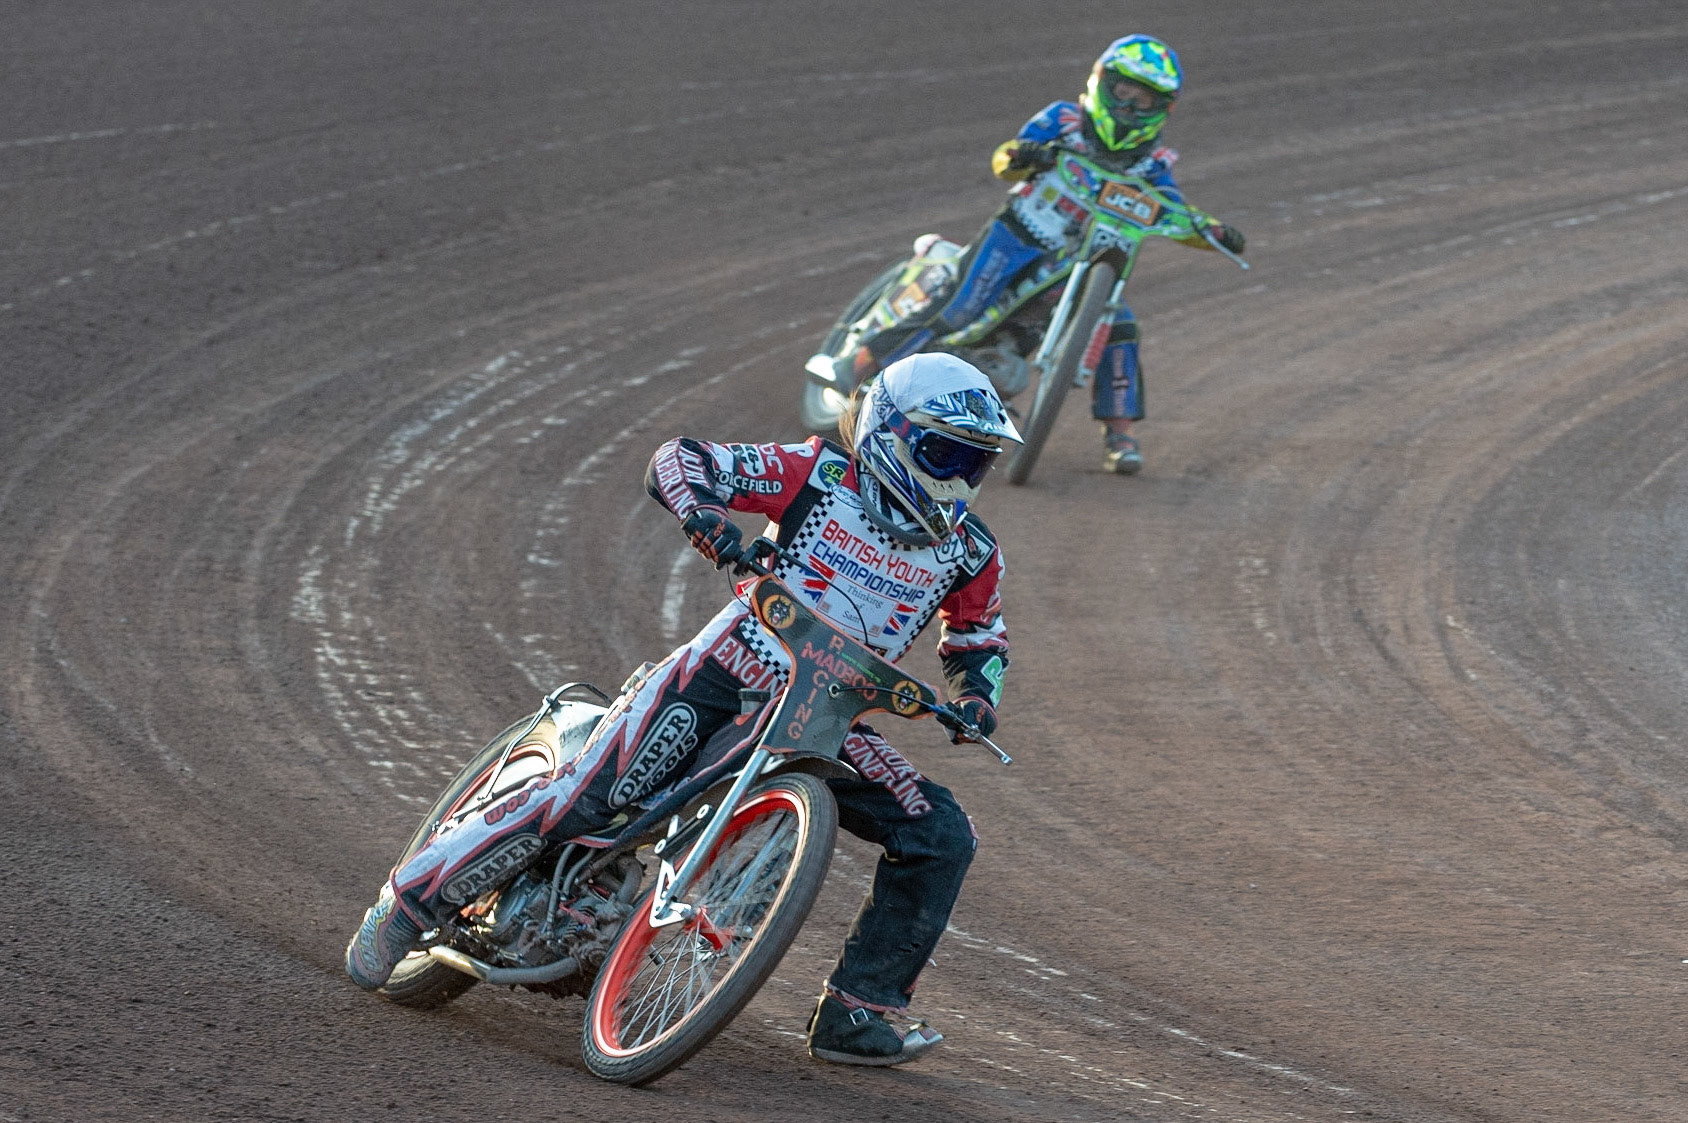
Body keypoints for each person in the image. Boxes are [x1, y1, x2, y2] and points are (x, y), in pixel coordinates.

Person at [346, 353, 1022, 1067]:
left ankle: (858, 1011)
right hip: (726, 671)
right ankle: (408, 901)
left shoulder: (971, 552)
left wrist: (978, 697)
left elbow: (980, 636)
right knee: (587, 799)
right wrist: (703, 514)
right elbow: (683, 459)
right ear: (890, 432)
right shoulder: (821, 475)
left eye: (974, 463)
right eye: (945, 454)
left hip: (828, 717)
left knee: (941, 832)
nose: (957, 479)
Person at [835, 34, 1245, 475]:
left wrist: (1212, 230)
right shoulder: (1064, 120)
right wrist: (1025, 155)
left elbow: (1174, 210)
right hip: (1019, 234)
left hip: (1082, 262)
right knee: (960, 308)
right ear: (1103, 82)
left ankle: (1120, 434)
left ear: (1162, 107)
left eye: (1143, 99)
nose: (1129, 106)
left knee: (1120, 325)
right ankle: (857, 371)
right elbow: (1006, 158)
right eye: (1124, 91)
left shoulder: (1154, 163)